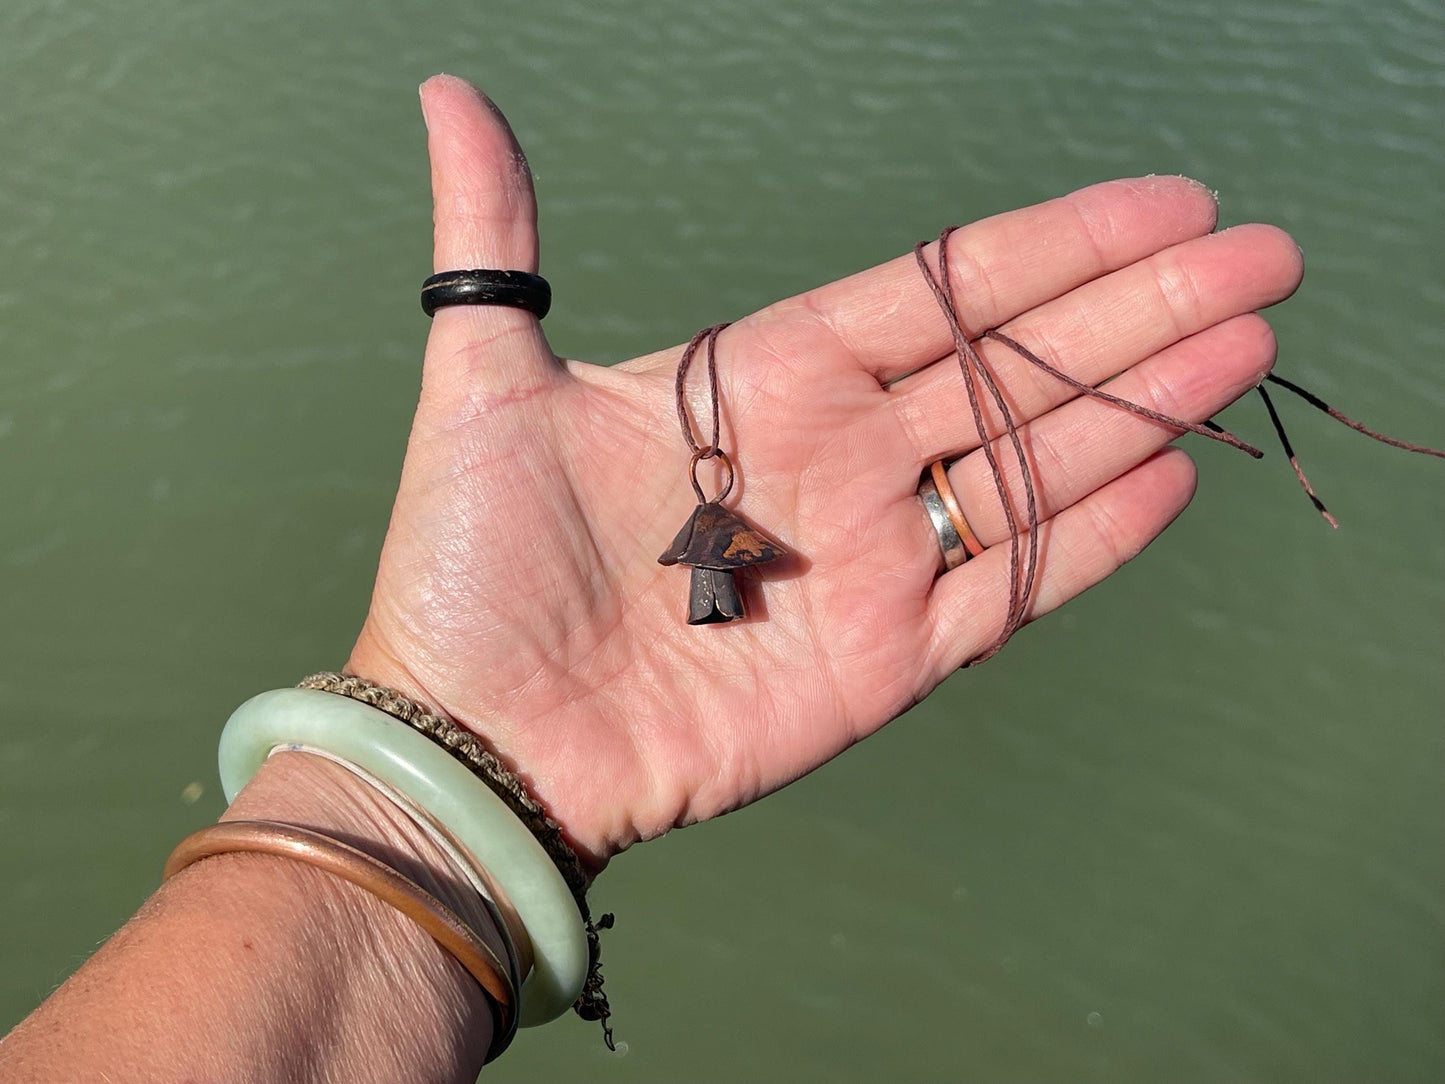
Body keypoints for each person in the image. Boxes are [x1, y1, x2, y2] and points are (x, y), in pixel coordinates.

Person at [0, 74, 1302, 1082]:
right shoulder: (710, 535)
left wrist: (424, 804)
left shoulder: (715, 531)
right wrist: (442, 788)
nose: (714, 590)